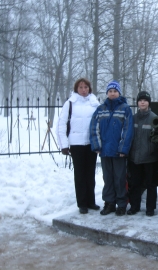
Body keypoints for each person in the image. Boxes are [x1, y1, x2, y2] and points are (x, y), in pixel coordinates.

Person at [56, 78, 100, 214]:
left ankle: (91, 201)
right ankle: (82, 203)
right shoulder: (70, 104)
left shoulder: (95, 103)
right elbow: (61, 124)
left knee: (90, 174)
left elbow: (100, 124)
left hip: (91, 144)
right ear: (76, 89)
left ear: (89, 89)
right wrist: (64, 145)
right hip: (76, 144)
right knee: (80, 175)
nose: (83, 90)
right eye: (81, 87)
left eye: (86, 87)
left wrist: (99, 143)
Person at [89, 80, 133, 217]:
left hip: (118, 152)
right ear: (107, 93)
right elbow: (94, 128)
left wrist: (123, 149)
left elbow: (128, 130)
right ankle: (109, 203)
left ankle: (121, 203)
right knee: (107, 178)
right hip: (104, 151)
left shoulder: (125, 109)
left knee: (119, 178)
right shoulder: (101, 109)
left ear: (119, 93)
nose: (112, 93)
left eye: (115, 91)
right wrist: (97, 146)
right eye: (110, 91)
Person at [127, 91, 158, 216]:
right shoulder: (133, 118)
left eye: (145, 100)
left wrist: (151, 150)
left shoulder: (154, 118)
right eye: (140, 100)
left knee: (151, 184)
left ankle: (150, 208)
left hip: (149, 158)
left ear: (148, 103)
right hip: (135, 157)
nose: (142, 102)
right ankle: (134, 207)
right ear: (137, 103)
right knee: (135, 184)